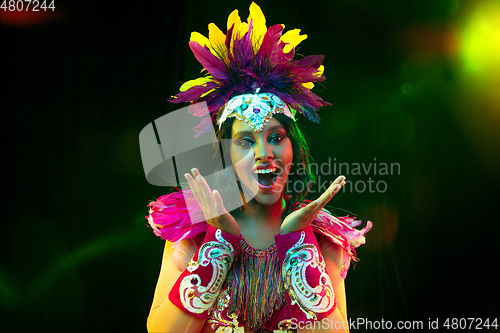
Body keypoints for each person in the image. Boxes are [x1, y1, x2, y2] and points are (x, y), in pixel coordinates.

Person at [144, 3, 371, 332]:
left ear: (294, 147)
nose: (265, 153)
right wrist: (219, 241)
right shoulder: (191, 229)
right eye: (247, 142)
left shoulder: (323, 239)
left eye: (275, 137)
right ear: (227, 155)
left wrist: (296, 242)